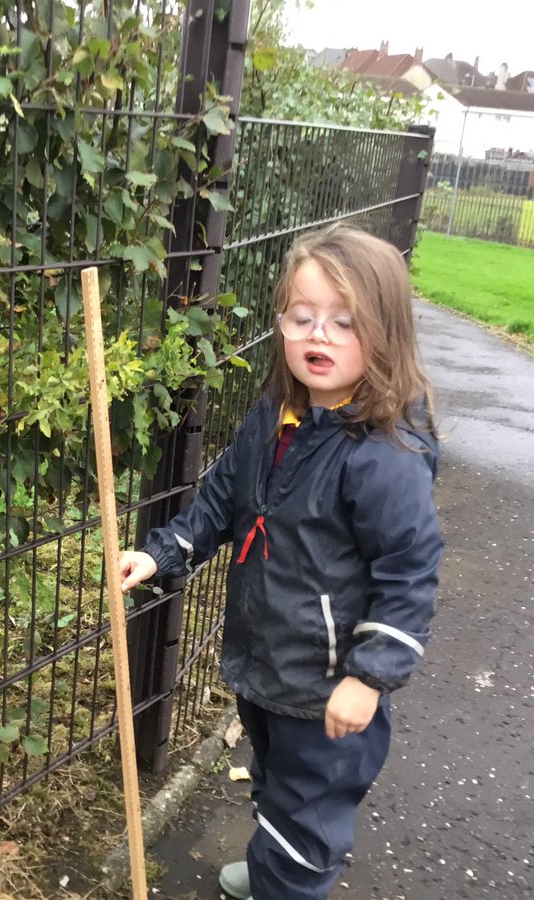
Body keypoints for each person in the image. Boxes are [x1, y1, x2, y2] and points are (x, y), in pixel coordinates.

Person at [119, 225, 444, 900]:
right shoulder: (273, 416)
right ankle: (276, 867)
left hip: (327, 687)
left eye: (343, 322)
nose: (318, 335)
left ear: (385, 332)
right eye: (303, 317)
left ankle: (287, 880)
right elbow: (217, 506)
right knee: (274, 785)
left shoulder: (384, 456)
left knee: (310, 818)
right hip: (265, 660)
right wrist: (157, 556)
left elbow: (408, 573)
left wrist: (371, 678)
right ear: (281, 324)